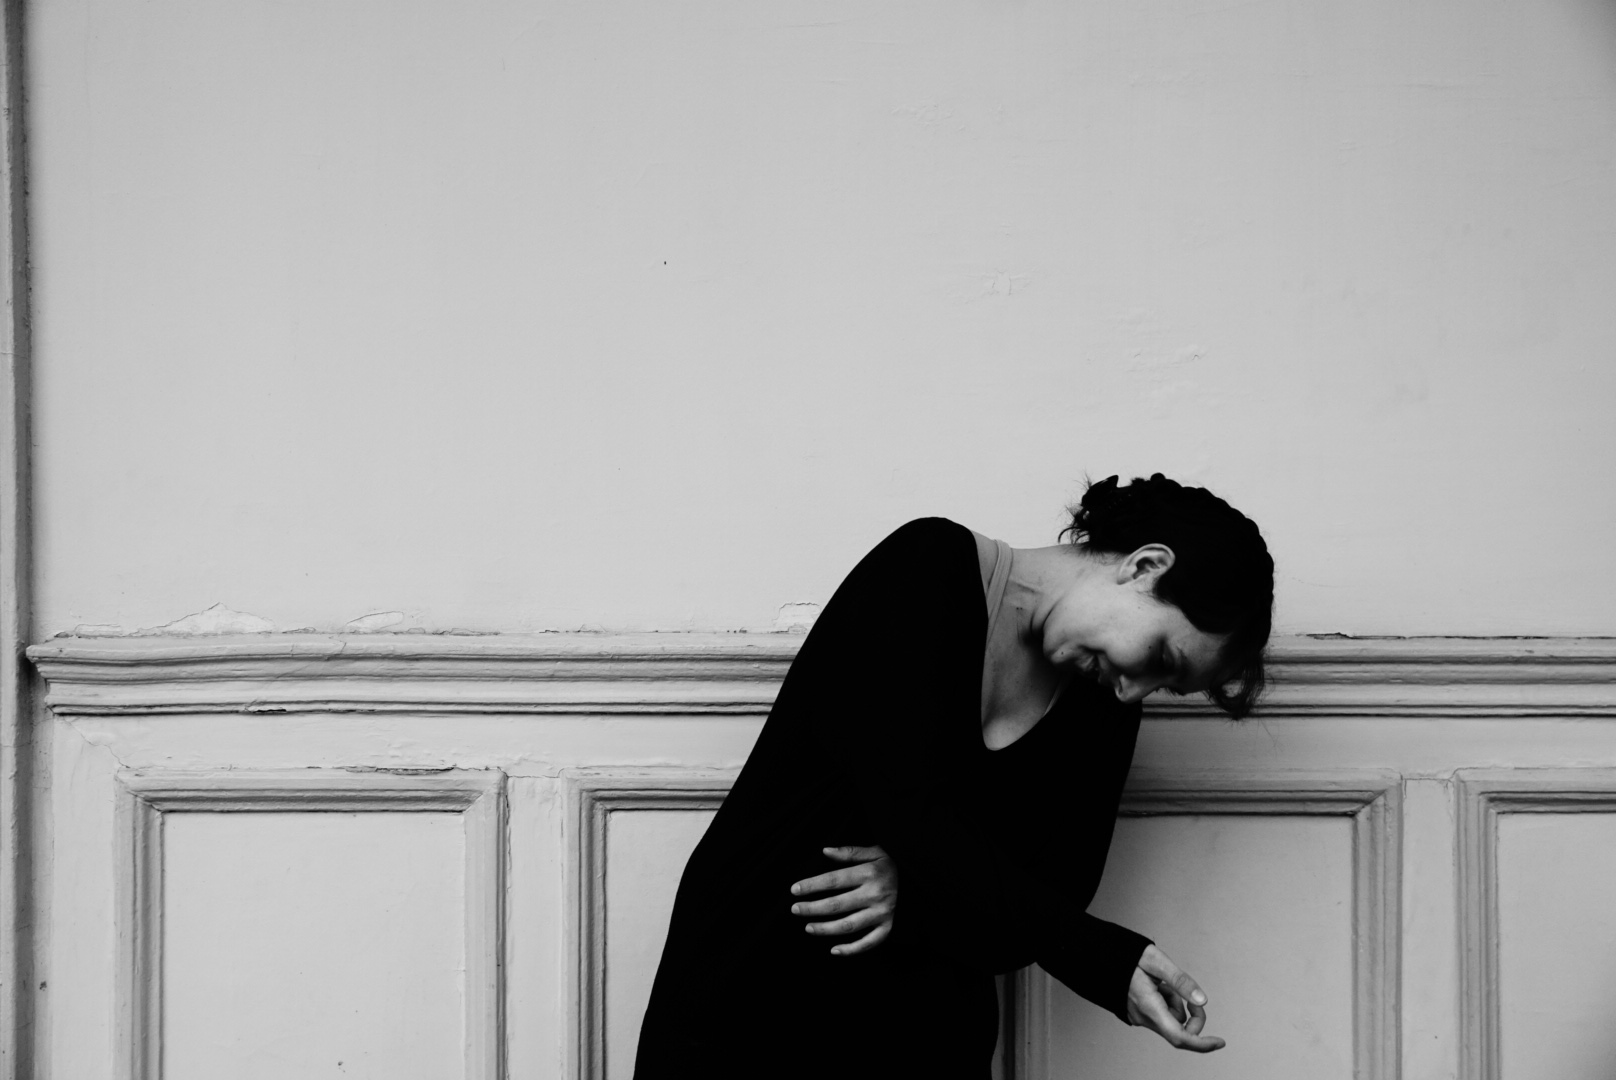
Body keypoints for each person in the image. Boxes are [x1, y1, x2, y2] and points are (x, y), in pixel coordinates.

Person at [633, 474, 1274, 1079]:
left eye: (1165, 685)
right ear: (1144, 566)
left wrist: (920, 889)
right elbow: (913, 813)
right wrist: (1097, 956)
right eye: (1161, 656)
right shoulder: (926, 567)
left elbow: (1058, 887)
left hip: (923, 1028)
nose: (1136, 690)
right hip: (752, 986)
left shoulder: (1107, 700)